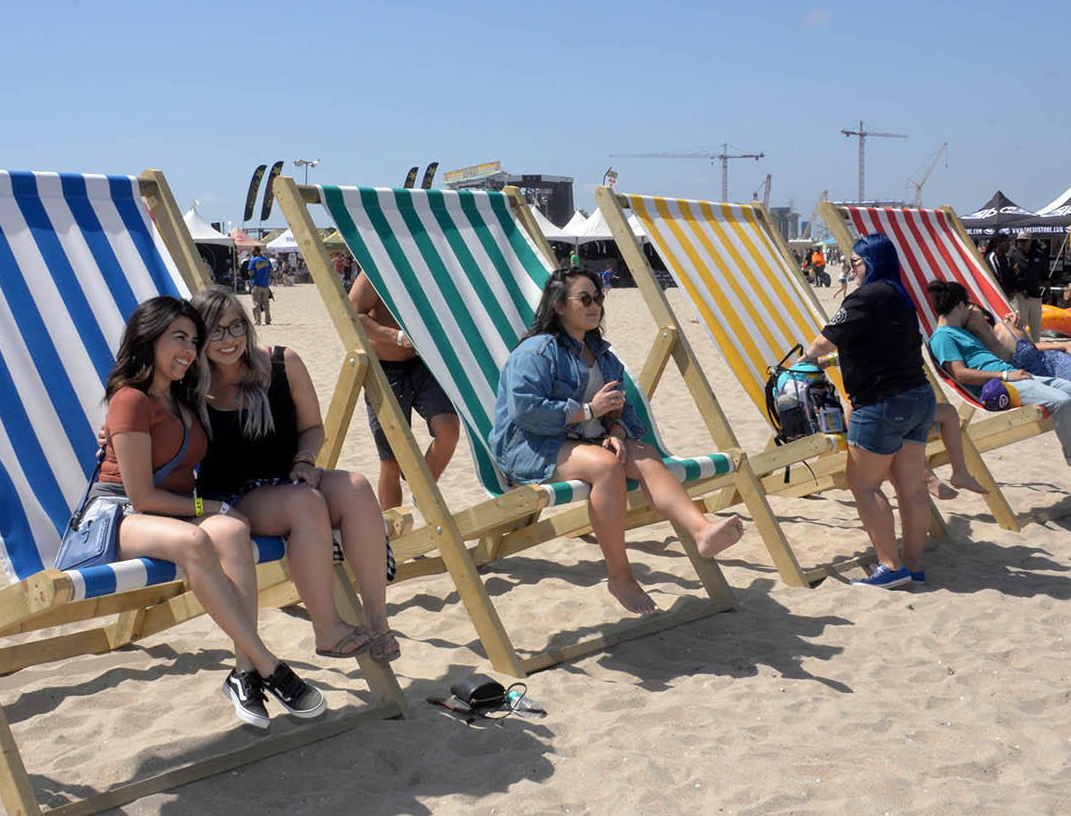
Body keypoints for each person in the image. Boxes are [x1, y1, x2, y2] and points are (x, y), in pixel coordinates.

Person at [98, 296, 328, 728]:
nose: (188, 349)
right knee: (200, 537)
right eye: (178, 338)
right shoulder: (131, 400)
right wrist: (211, 505)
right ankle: (267, 666)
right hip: (124, 515)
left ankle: (242, 673)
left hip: (176, 514)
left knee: (232, 532)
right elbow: (142, 497)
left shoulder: (185, 396)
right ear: (149, 340)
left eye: (193, 340)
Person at [491, 267, 744, 613]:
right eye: (585, 298)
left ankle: (701, 531)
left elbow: (620, 410)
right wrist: (586, 411)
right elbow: (526, 412)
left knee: (643, 454)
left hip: (579, 443)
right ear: (559, 306)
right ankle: (620, 575)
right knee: (607, 466)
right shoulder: (537, 351)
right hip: (530, 448)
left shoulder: (603, 354)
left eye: (598, 297)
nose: (594, 305)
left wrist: (617, 432)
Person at [191, 287, 401, 664]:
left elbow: (313, 428)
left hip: (289, 477)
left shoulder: (281, 363)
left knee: (355, 486)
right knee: (306, 503)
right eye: (215, 331)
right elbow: (144, 416)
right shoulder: (189, 385)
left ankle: (377, 619)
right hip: (232, 498)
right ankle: (327, 630)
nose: (229, 340)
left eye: (235, 326)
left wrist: (305, 459)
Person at [799, 233, 945, 588]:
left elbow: (824, 340)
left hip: (882, 403)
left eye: (855, 263)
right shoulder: (901, 297)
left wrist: (806, 359)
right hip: (918, 397)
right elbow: (879, 345)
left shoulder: (867, 295)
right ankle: (912, 565)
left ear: (871, 263)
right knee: (911, 488)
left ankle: (890, 567)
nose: (852, 270)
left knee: (863, 485)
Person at [927, 281, 1071, 488]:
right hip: (1001, 387)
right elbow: (960, 374)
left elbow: (1003, 351)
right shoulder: (942, 337)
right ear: (961, 305)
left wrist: (1010, 330)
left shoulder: (964, 332)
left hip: (1017, 377)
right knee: (1062, 401)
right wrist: (1006, 375)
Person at [348, 273, 460, 513]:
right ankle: (393, 538)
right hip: (385, 371)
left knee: (448, 431)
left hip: (422, 365)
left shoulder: (424, 266)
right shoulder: (374, 270)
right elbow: (352, 314)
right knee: (392, 462)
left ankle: (423, 491)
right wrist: (396, 337)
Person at [1013, 236, 1048, 343]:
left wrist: (1048, 292)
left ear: (1030, 241)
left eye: (1025, 240)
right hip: (1020, 295)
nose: (1022, 243)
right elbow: (1008, 276)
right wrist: (1013, 273)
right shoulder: (1013, 255)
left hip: (1036, 295)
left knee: (1036, 326)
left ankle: (1036, 349)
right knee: (1019, 325)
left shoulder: (1039, 254)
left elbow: (1045, 275)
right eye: (1020, 241)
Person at [245, 250, 275, 325]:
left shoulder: (254, 260)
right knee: (266, 304)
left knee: (256, 304)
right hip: (265, 285)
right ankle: (268, 320)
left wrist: (252, 275)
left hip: (256, 285)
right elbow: (271, 271)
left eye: (252, 251)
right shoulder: (267, 260)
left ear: (255, 252)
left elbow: (250, 272)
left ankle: (258, 321)